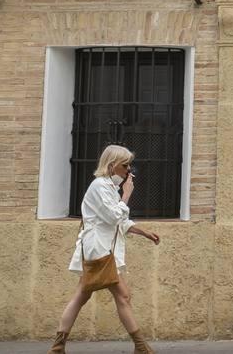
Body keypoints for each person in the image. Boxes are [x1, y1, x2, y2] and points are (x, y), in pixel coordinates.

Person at [48, 144, 161, 354]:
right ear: (112, 166)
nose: (129, 170)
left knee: (83, 295)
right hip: (99, 250)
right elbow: (113, 217)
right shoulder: (99, 186)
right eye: (125, 165)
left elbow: (119, 221)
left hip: (101, 250)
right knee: (123, 296)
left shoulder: (108, 188)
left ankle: (58, 347)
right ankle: (141, 347)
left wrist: (144, 232)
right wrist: (127, 194)